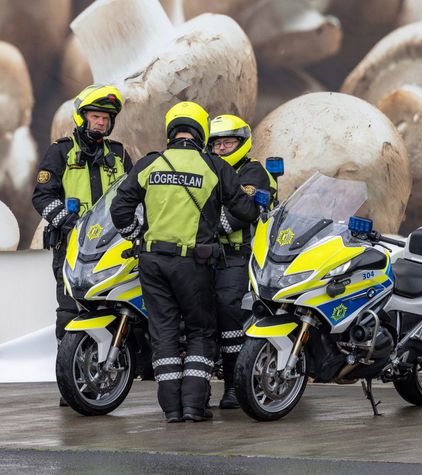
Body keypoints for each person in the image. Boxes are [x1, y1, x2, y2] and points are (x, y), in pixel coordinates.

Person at [110, 101, 260, 423]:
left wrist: (138, 235)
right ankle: (193, 406)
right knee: (201, 332)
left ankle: (171, 411)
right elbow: (247, 211)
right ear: (201, 132)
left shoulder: (150, 163)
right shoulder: (213, 166)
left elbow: (119, 210)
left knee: (163, 333)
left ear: (171, 131)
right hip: (193, 264)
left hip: (151, 262)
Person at [32, 84, 132, 404]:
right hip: (70, 245)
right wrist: (67, 221)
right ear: (81, 117)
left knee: (113, 307)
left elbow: (134, 194)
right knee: (68, 311)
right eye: (95, 116)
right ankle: (71, 382)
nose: (101, 123)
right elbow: (41, 196)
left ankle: (108, 369)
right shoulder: (60, 152)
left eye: (106, 118)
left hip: (111, 245)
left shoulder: (118, 154)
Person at [208, 114, 275, 409]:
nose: (221, 148)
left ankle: (234, 385)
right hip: (205, 254)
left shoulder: (253, 172)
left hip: (239, 256)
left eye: (227, 142)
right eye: (217, 143)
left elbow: (238, 214)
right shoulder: (208, 169)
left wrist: (198, 228)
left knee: (229, 314)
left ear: (242, 143)